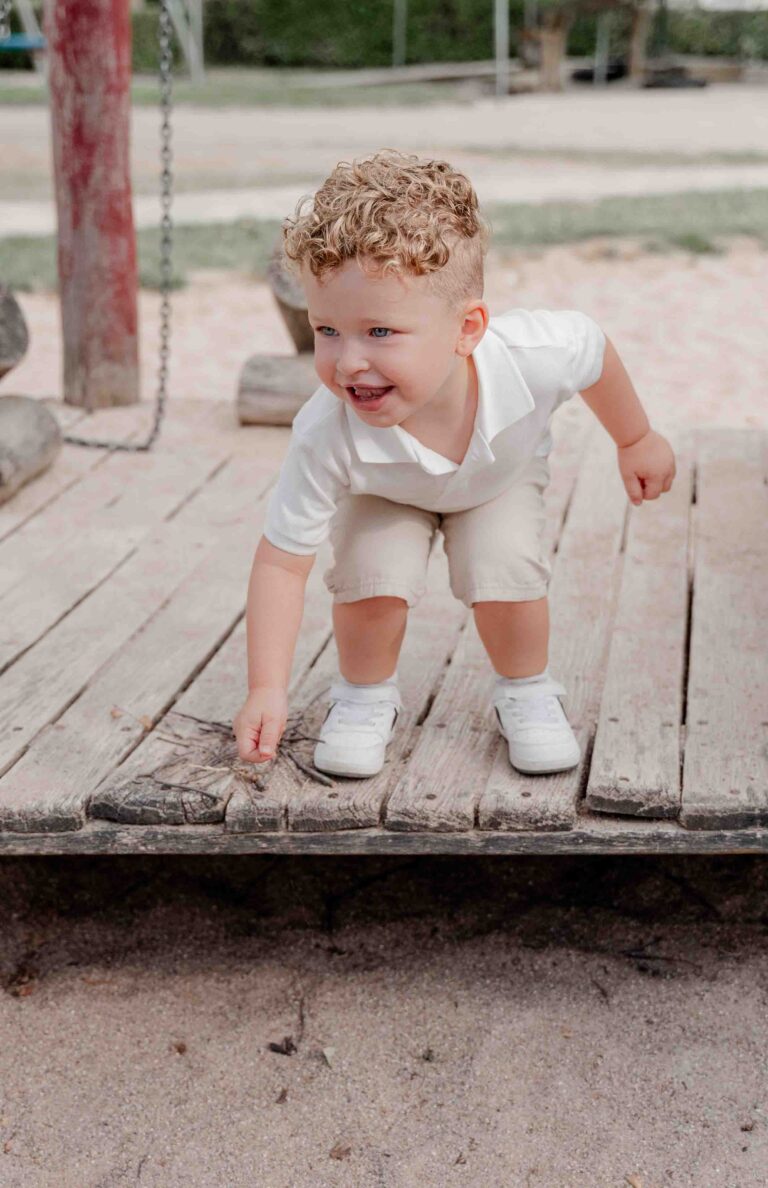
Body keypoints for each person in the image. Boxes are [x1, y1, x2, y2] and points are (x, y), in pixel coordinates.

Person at [233, 149, 676, 780]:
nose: (348, 361)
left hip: (497, 480)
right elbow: (282, 561)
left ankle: (526, 689)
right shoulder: (327, 430)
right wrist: (266, 688)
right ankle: (364, 696)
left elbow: (593, 350)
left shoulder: (532, 355)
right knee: (370, 571)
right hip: (385, 492)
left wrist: (635, 438)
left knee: (505, 565)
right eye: (327, 330)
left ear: (467, 329)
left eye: (379, 332)